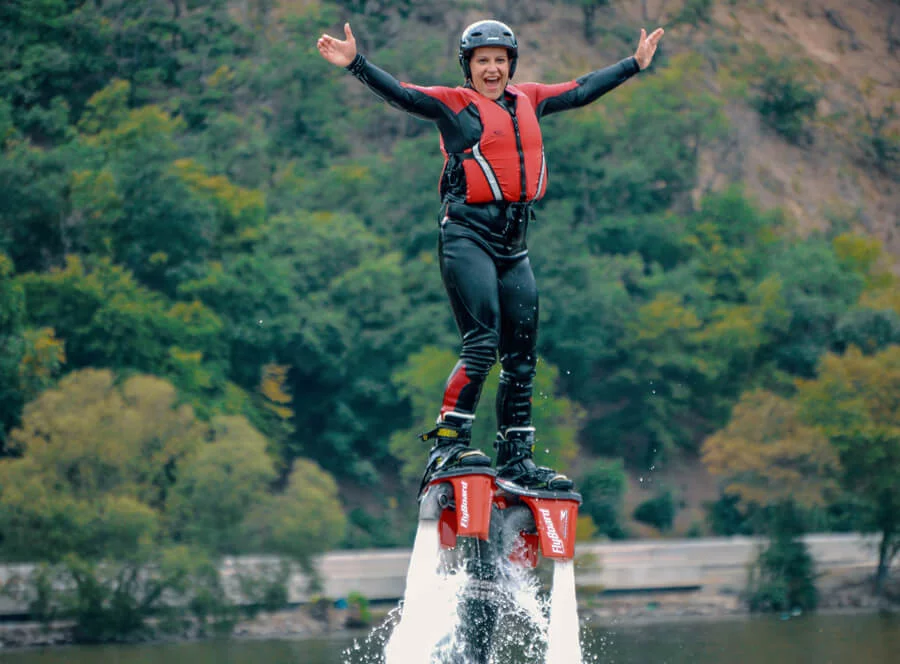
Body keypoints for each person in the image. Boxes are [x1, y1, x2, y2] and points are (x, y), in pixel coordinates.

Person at [317, 18, 663, 494]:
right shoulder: (455, 105)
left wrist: (634, 64)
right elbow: (403, 94)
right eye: (484, 61)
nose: (493, 68)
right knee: (483, 343)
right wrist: (356, 63)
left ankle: (516, 459)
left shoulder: (532, 100)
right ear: (469, 67)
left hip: (514, 245)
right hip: (467, 237)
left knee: (522, 355)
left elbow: (582, 89)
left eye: (501, 60)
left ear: (511, 65)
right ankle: (448, 444)